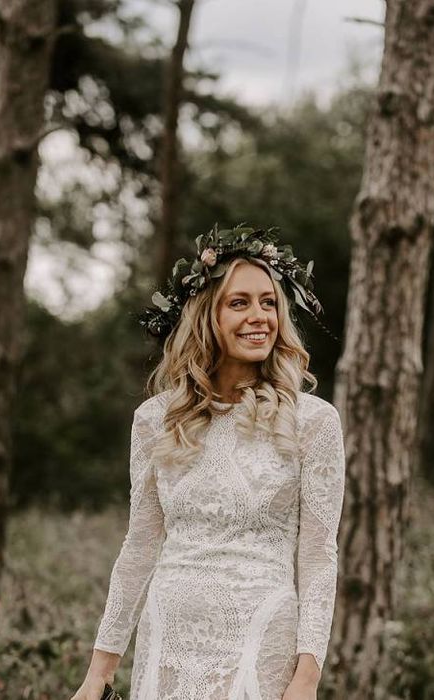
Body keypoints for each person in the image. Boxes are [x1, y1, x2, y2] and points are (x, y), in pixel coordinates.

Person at [71, 225, 346, 700]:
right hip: (168, 639)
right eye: (239, 303)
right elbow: (139, 546)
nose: (259, 316)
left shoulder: (313, 422)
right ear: (206, 317)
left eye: (268, 303)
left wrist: (307, 677)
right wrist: (100, 671)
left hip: (260, 635)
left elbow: (319, 557)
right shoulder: (156, 420)